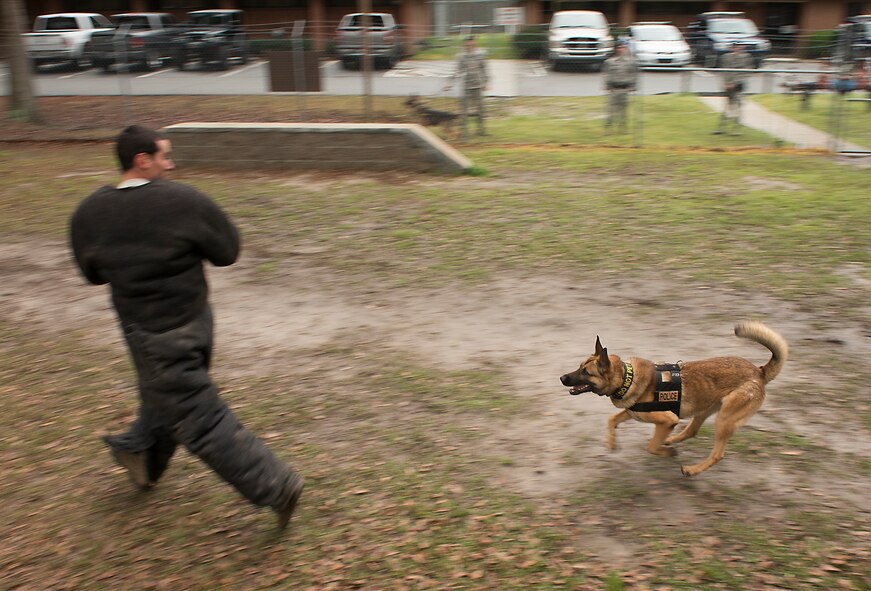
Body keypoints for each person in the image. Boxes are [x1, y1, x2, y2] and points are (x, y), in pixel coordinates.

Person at [69, 125, 304, 530]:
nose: (171, 164)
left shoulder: (88, 215)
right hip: (197, 321)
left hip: (149, 333)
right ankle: (140, 453)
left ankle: (276, 485)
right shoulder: (185, 201)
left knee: (196, 415)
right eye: (165, 157)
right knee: (170, 395)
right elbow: (227, 251)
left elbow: (93, 275)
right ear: (142, 160)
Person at [446, 35, 489, 139]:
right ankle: (464, 133)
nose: (470, 43)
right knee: (464, 110)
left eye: (472, 41)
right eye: (468, 42)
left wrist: (485, 83)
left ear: (475, 43)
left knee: (480, 109)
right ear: (465, 44)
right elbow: (457, 71)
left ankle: (481, 130)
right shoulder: (461, 56)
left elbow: (484, 70)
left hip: (478, 85)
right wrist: (450, 83)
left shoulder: (480, 55)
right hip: (466, 86)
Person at [714, 42, 753, 135]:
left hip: (739, 86)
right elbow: (724, 71)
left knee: (737, 106)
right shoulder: (726, 57)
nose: (737, 49)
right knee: (727, 106)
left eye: (739, 47)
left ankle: (736, 129)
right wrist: (726, 83)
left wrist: (735, 83)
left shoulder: (746, 57)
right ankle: (721, 128)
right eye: (735, 47)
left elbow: (745, 72)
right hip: (727, 86)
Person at [602, 42, 638, 133]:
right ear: (616, 49)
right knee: (611, 111)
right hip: (614, 89)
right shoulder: (610, 62)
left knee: (623, 111)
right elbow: (606, 74)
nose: (622, 50)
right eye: (620, 48)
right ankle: (608, 129)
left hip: (624, 89)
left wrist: (633, 85)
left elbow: (633, 74)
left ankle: (623, 129)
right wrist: (606, 86)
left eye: (624, 48)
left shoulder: (630, 62)